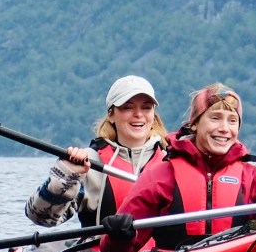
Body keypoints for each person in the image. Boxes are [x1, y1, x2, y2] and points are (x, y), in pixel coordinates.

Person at [98, 82, 256, 252]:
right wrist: (119, 236)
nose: (224, 128)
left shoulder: (254, 177)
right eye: (215, 118)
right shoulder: (160, 176)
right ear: (194, 123)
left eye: (232, 121)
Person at [25, 75, 168, 228]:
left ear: (153, 115)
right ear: (111, 115)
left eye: (146, 107)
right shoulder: (90, 162)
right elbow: (40, 218)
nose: (138, 114)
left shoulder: (171, 161)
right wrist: (65, 178)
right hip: (101, 251)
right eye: (127, 107)